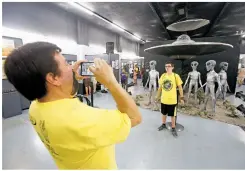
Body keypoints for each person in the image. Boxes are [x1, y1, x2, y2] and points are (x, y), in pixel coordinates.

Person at [4, 42, 142, 169]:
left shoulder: (35, 108)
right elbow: (134, 118)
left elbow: (63, 95)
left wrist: (71, 78)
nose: (71, 67)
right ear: (53, 78)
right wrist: (111, 82)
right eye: (66, 64)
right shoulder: (84, 120)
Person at [155, 61, 184, 137]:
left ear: (172, 67)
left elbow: (180, 87)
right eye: (166, 66)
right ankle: (163, 124)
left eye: (168, 66)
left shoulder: (175, 76)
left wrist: (182, 97)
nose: (167, 68)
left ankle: (173, 128)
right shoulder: (163, 76)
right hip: (164, 99)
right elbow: (160, 88)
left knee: (172, 115)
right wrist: (157, 96)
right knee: (163, 113)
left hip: (172, 100)